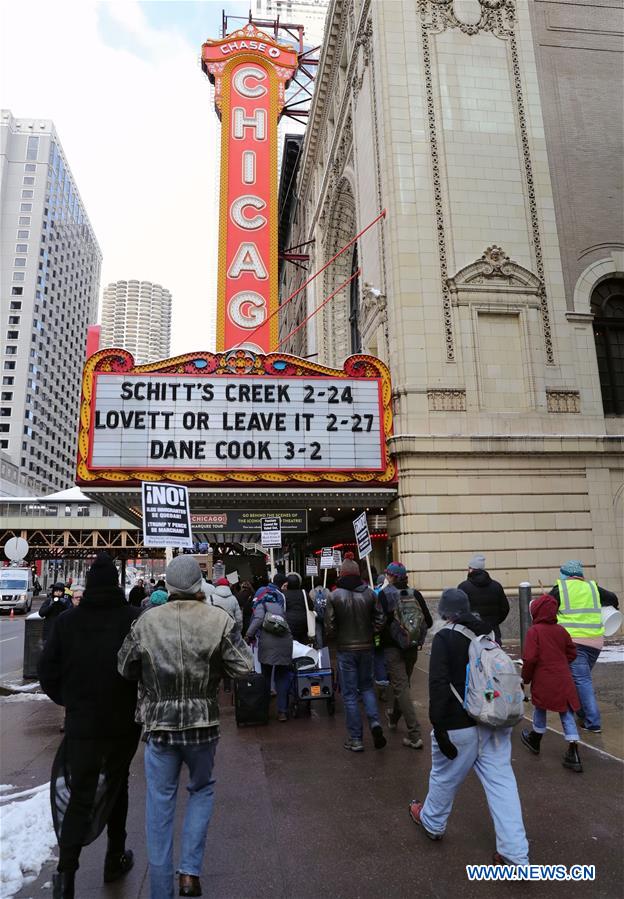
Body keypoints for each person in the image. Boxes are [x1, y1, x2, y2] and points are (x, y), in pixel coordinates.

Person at [118, 555, 253, 899]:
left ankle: (160, 891)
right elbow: (244, 666)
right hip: (202, 724)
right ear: (198, 584)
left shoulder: (146, 622)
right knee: (202, 789)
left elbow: (125, 667)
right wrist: (216, 668)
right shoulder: (218, 619)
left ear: (168, 585)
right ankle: (190, 872)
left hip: (160, 726)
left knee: (159, 804)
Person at [38, 553, 141, 899]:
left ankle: (65, 875)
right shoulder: (132, 618)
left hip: (82, 722)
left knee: (80, 793)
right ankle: (114, 857)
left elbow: (47, 671)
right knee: (118, 785)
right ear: (116, 583)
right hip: (123, 720)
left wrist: (69, 700)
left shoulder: (68, 621)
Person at [409, 588, 529, 866]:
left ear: (444, 612)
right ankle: (514, 853)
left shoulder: (445, 637)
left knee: (444, 777)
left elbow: (439, 684)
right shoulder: (488, 633)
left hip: (458, 724)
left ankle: (432, 822)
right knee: (502, 785)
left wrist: (439, 726)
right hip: (494, 722)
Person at [548, 560, 619, 734]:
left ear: (565, 574)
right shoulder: (593, 588)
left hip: (574, 643)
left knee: (581, 680)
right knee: (578, 679)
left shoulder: (560, 589)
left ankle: (593, 721)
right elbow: (613, 598)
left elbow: (546, 608)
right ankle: (581, 711)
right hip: (595, 643)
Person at [324, 558, 386, 752]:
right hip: (366, 647)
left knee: (350, 694)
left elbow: (329, 626)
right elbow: (380, 619)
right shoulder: (370, 594)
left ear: (341, 574)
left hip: (346, 649)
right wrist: (371, 632)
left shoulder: (334, 596)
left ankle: (356, 738)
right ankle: (375, 723)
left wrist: (336, 637)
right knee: (367, 687)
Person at [520, 594, 583, 772]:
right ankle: (573, 750)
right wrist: (560, 661)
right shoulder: (561, 630)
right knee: (566, 711)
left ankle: (535, 739)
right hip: (563, 677)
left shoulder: (534, 631)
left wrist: (525, 678)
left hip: (543, 677)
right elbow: (572, 652)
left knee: (540, 706)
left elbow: (530, 658)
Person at [379, 562, 433, 750]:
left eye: (387, 574)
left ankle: (414, 734)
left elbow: (379, 622)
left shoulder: (384, 595)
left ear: (391, 576)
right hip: (411, 647)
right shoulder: (415, 594)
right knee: (402, 685)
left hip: (392, 648)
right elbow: (429, 621)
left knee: (401, 687)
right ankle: (394, 717)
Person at [245, 581, 293, 721]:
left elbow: (258, 619)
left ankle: (264, 710)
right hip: (285, 643)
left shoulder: (261, 605)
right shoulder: (279, 607)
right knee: (281, 677)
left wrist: (248, 635)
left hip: (268, 645)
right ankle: (282, 711)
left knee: (266, 677)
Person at [457, 554, 509, 644]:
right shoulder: (496, 586)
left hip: (470, 634)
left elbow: (459, 611)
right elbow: (505, 609)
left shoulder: (463, 587)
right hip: (492, 633)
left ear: (471, 569)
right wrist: (494, 622)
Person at [283, 572, 315, 645]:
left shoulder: (284, 594)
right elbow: (311, 607)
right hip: (303, 623)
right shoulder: (304, 593)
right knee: (303, 643)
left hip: (289, 623)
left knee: (292, 644)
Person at [309, 576, 330, 648]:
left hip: (316, 615)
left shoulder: (312, 592)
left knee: (318, 632)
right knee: (325, 632)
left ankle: (320, 649)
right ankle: (325, 648)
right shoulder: (327, 591)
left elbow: (310, 604)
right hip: (326, 615)